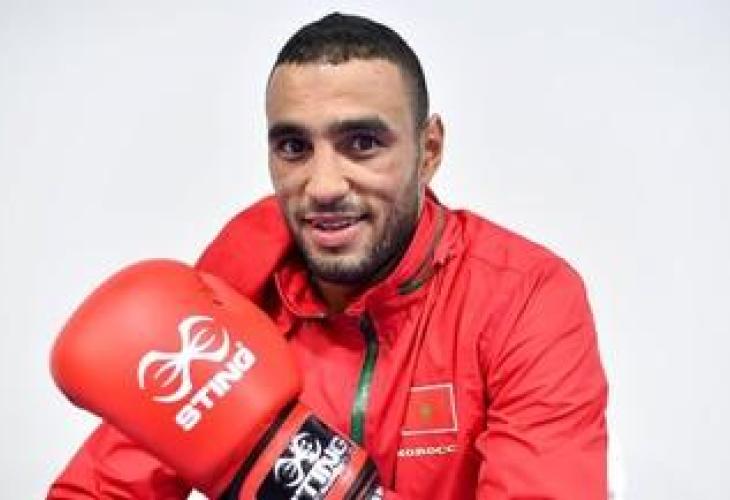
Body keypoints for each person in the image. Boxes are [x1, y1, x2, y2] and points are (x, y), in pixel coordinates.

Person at [48, 12, 608, 499]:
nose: (322, 186)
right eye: (294, 147)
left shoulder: (523, 296)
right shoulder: (234, 294)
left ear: (429, 151)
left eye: (362, 143)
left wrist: (295, 473)